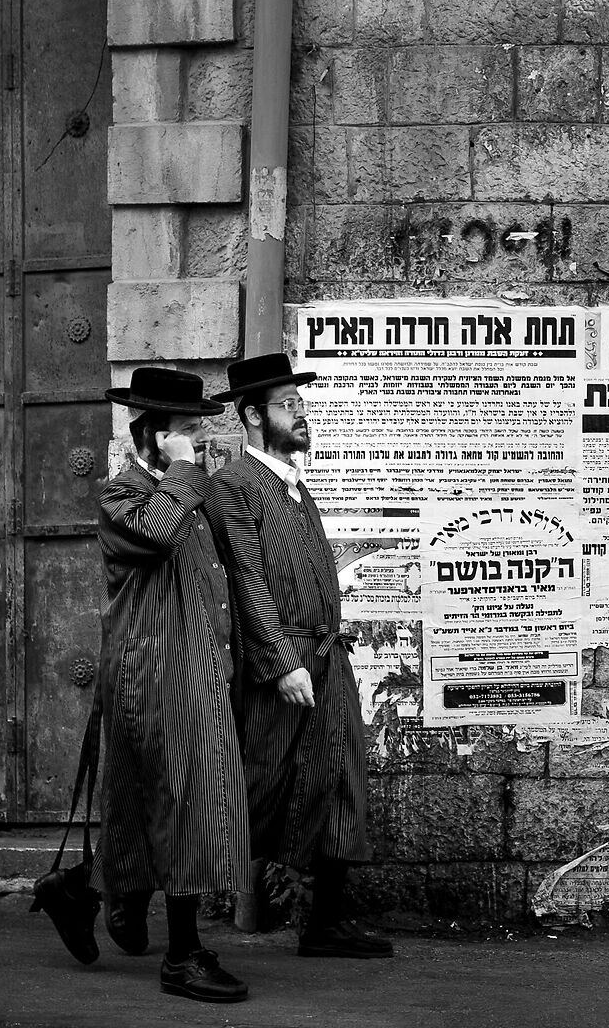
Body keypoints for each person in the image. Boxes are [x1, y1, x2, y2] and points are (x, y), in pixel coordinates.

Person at [210, 352, 392, 960]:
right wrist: (282, 661)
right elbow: (248, 581)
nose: (304, 414)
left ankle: (328, 923)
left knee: (339, 782)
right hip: (282, 667)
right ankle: (108, 884)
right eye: (290, 406)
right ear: (254, 415)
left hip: (325, 660)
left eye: (303, 403)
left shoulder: (292, 484)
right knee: (252, 793)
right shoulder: (235, 485)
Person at [96, 365, 256, 1004]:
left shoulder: (190, 496)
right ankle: (183, 955)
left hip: (194, 671)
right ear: (154, 434)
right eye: (188, 430)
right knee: (179, 802)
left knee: (160, 805)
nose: (200, 440)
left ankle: (88, 890)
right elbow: (157, 536)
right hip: (152, 677)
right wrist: (185, 472)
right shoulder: (122, 499)